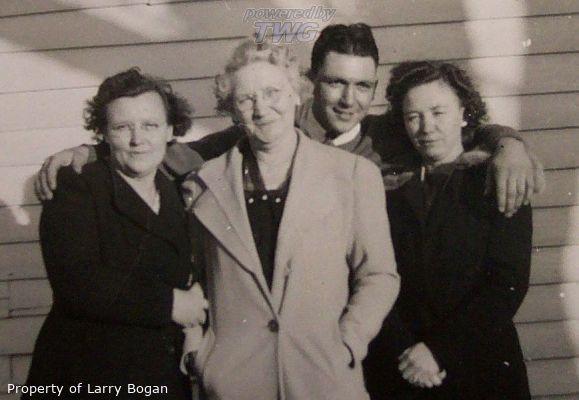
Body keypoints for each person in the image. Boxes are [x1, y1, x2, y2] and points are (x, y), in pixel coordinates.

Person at [34, 24, 544, 218]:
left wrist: (511, 145)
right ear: (311, 81)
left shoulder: (392, 132)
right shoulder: (271, 125)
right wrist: (92, 152)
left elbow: (466, 131)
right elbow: (166, 156)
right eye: (335, 82)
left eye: (363, 86)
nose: (349, 99)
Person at [183, 40, 399, 400]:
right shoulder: (203, 185)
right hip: (234, 385)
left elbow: (379, 275)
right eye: (246, 99)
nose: (261, 108)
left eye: (273, 93)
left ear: (297, 94)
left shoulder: (353, 175)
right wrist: (199, 354)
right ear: (232, 109)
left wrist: (349, 343)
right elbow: (192, 279)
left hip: (325, 380)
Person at [24, 68, 207, 399]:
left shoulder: (178, 191)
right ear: (103, 133)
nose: (138, 140)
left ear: (170, 130)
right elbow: (76, 280)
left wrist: (193, 324)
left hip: (159, 376)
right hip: (87, 375)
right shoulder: (77, 185)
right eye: (123, 127)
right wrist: (170, 304)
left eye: (150, 125)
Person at [364, 61, 532, 399]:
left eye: (438, 113)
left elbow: (506, 284)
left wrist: (438, 350)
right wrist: (406, 351)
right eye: (413, 117)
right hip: (403, 367)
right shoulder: (386, 188)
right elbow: (372, 274)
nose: (427, 127)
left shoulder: (496, 179)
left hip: (480, 367)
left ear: (464, 113)